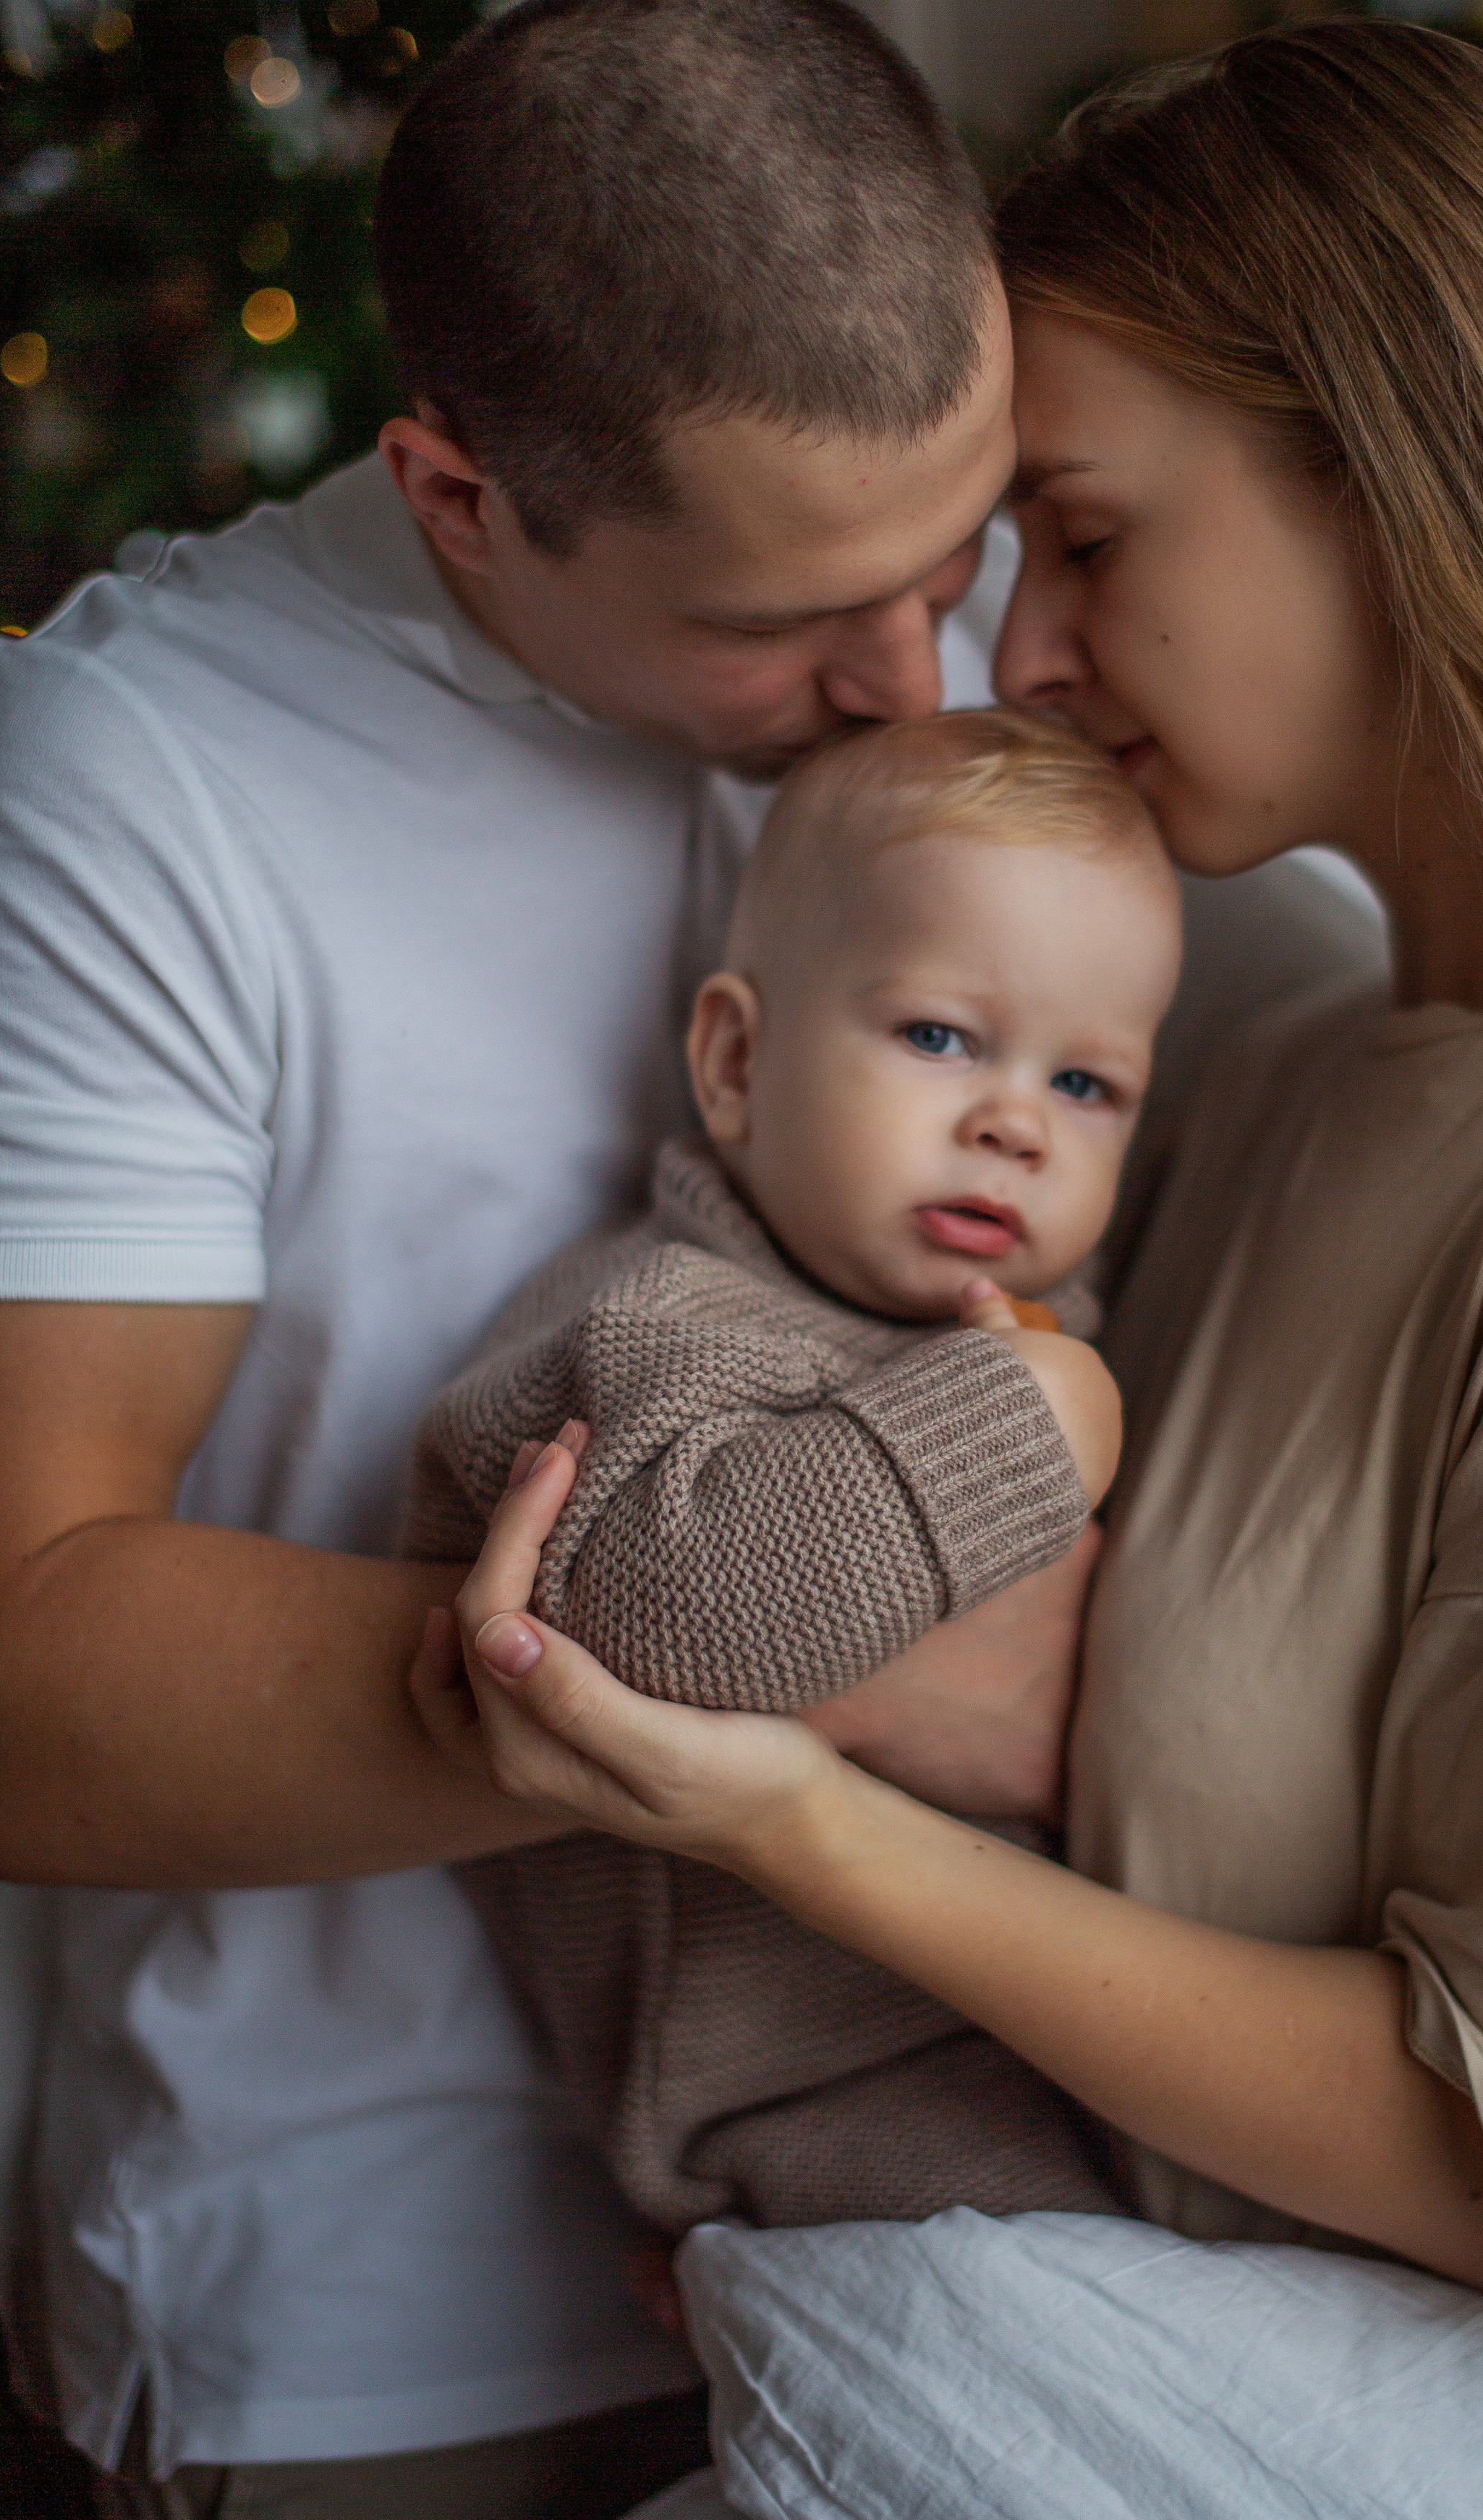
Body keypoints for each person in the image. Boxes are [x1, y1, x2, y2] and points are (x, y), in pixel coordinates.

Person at [435, 18, 1483, 2508]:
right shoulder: (1279, 1070)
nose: (1025, 661)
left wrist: (789, 1825)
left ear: (1400, 486)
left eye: (1082, 543)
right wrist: (866, 2193)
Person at [0, 0, 1232, 2520]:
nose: (920, 682)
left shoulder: (991, 642)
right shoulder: (137, 795)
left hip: (961, 2214)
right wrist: (810, 1651)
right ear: (461, 498)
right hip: (395, 2322)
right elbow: (17, 1663)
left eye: (959, 554)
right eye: (780, 622)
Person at [406, 711, 1180, 2245]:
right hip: (810, 2115)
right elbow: (661, 1619)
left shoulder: (1012, 1335)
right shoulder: (659, 1320)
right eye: (939, 1037)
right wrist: (1025, 1419)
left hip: (1051, 2042)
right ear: (737, 1060)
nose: (1014, 1122)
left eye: (1087, 1083)